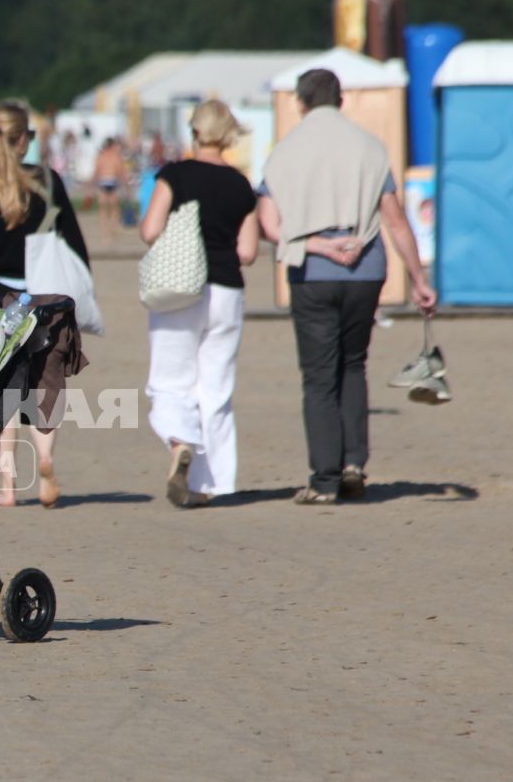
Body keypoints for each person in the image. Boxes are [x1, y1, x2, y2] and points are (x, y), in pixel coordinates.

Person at [257, 68, 438, 505]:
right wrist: (419, 279)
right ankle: (355, 462)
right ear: (341, 100)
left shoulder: (284, 152)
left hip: (312, 271)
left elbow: (269, 223)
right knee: (353, 364)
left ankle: (324, 479)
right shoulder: (370, 147)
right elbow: (395, 220)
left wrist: (318, 243)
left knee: (319, 376)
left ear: (301, 103)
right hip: (365, 270)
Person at [0, 102, 90, 508]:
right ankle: (46, 459)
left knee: (3, 390)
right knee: (46, 381)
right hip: (46, 296)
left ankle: (8, 484)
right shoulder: (47, 181)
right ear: (21, 140)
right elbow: (75, 244)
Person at [139, 100, 260, 508]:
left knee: (171, 382)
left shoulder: (176, 174)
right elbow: (247, 251)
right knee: (216, 390)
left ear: (194, 132)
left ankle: (181, 446)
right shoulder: (242, 184)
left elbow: (150, 229)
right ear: (228, 135)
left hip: (179, 288)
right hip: (227, 289)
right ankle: (217, 484)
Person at [91, 137, 126, 229]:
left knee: (103, 207)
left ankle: (106, 230)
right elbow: (120, 171)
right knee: (114, 207)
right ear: (112, 145)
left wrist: (92, 184)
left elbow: (96, 171)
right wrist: (125, 183)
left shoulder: (101, 156)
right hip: (112, 181)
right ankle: (114, 227)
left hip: (103, 181)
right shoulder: (116, 156)